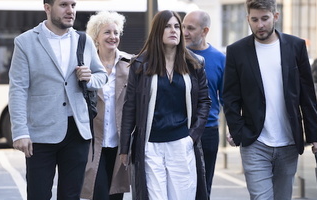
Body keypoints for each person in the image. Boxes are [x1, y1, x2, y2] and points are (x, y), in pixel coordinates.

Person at [8, 0, 107, 200]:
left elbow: (102, 76)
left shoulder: (84, 40)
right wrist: (20, 132)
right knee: (38, 195)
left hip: (77, 131)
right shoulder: (25, 42)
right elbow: (18, 89)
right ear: (47, 8)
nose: (70, 10)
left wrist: (89, 78)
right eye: (63, 5)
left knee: (71, 196)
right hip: (40, 133)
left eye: (73, 5)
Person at [223, 0, 317, 200]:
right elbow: (230, 97)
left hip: (288, 142)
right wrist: (237, 130)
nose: (260, 25)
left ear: (275, 16)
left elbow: (307, 94)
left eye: (265, 18)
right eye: (255, 19)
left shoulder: (295, 46)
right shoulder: (237, 51)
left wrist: (313, 134)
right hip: (255, 141)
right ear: (248, 19)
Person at [119, 10, 211, 200]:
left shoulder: (195, 64)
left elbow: (204, 102)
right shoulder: (140, 64)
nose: (174, 30)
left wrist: (192, 137)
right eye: (168, 26)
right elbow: (130, 107)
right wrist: (125, 147)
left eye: (177, 26)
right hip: (150, 145)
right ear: (158, 31)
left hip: (181, 143)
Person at [81, 11, 132, 200]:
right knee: (98, 193)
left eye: (116, 32)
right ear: (96, 37)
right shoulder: (86, 65)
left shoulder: (130, 64)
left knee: (116, 195)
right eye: (107, 32)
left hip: (120, 144)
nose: (113, 37)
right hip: (94, 143)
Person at [182, 10, 226, 199]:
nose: (184, 32)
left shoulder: (220, 59)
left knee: (203, 188)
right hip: (179, 129)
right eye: (183, 26)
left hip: (207, 131)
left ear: (205, 30)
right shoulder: (175, 55)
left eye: (190, 28)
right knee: (180, 186)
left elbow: (226, 97)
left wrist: (233, 127)